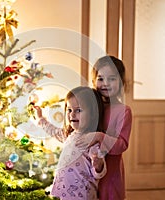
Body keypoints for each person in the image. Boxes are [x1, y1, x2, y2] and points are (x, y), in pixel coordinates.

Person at [34, 86, 107, 200]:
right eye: (69, 110)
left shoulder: (91, 140)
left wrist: (98, 165)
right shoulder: (69, 134)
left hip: (82, 195)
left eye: (78, 110)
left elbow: (99, 173)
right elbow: (53, 131)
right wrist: (40, 118)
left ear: (93, 113)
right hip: (63, 192)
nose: (72, 115)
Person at [76, 55, 132, 200]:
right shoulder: (91, 107)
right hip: (87, 174)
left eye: (112, 79)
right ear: (94, 81)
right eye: (101, 79)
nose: (105, 83)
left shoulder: (123, 111)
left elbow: (122, 145)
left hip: (110, 177)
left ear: (121, 82)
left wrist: (99, 136)